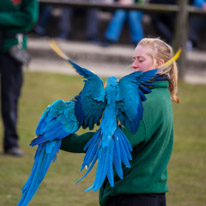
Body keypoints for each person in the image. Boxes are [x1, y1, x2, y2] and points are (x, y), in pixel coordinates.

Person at [60, 37, 179, 206]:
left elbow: (109, 142)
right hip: (140, 194)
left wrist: (63, 140)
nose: (134, 65)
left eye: (141, 60)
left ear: (159, 64)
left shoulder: (149, 104)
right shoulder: (156, 95)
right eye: (133, 60)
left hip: (135, 197)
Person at [0, 0, 38, 156]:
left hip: (11, 47)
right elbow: (19, 18)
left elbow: (27, 20)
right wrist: (11, 18)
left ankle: (11, 143)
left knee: (10, 95)